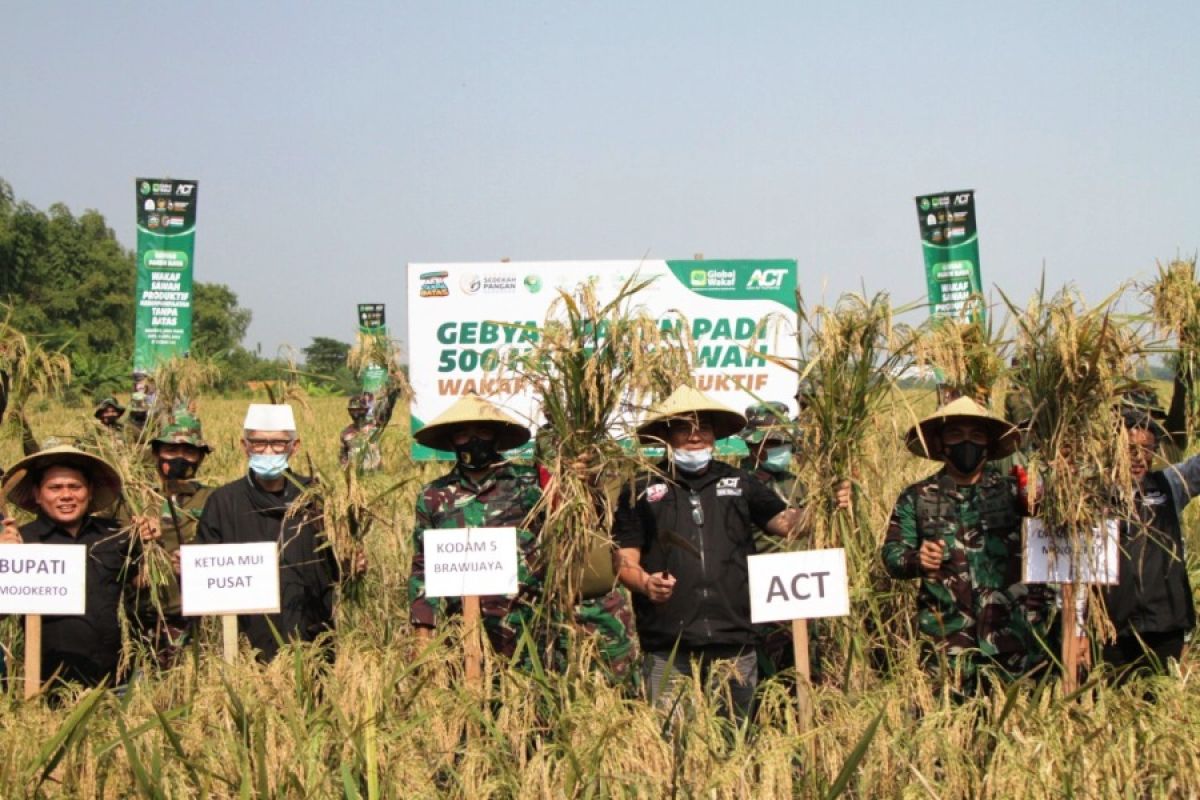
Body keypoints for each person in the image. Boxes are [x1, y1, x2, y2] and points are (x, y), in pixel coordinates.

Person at [613, 386, 847, 719]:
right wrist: (645, 583)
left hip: (733, 637)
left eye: (703, 428)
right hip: (669, 642)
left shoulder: (738, 482)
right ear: (666, 435)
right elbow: (623, 560)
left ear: (714, 436)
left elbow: (786, 522)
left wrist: (826, 505)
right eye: (684, 428)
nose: (695, 436)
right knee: (673, 740)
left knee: (737, 736)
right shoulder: (640, 488)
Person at [881, 397, 1052, 695]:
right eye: (956, 435)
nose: (966, 443)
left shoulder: (1014, 494)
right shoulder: (917, 497)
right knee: (947, 730)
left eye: (976, 436)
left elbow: (1052, 543)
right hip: (946, 642)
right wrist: (917, 560)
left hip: (1011, 637)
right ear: (941, 444)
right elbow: (892, 557)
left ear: (988, 444)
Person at [196, 404, 347, 661]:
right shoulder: (223, 501)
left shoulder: (317, 497)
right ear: (244, 446)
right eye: (258, 443)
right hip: (248, 641)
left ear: (294, 446)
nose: (268, 451)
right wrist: (187, 567)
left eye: (278, 443)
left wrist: (351, 562)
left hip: (312, 634)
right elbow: (205, 571)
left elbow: (339, 558)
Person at [408, 394, 542, 660]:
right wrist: (422, 636)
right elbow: (423, 568)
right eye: (462, 434)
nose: (473, 440)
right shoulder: (434, 496)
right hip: (464, 636)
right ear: (451, 441)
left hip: (529, 634)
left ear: (496, 437)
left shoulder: (529, 485)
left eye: (482, 431)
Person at [0, 445, 131, 688]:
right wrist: (4, 560)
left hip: (116, 680)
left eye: (75, 487)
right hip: (43, 684)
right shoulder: (22, 541)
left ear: (89, 492)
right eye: (55, 488)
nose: (66, 495)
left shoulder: (117, 535)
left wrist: (154, 540)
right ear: (38, 494)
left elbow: (148, 592)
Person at [1099, 408, 1198, 679]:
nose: (1139, 457)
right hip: (1113, 629)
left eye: (1147, 449)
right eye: (1130, 449)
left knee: (1159, 701)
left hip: (1165, 625)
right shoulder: (1093, 495)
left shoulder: (1169, 485)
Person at [127, 411, 214, 666]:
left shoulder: (212, 499)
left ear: (200, 457)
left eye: (189, 451)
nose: (179, 458)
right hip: (141, 617)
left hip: (192, 617)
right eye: (171, 449)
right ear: (156, 453)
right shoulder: (134, 498)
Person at [339, 394, 383, 471]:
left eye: (358, 410)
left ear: (365, 410)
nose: (355, 414)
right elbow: (343, 456)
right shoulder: (345, 433)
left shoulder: (375, 429)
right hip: (355, 472)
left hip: (373, 471)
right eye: (352, 410)